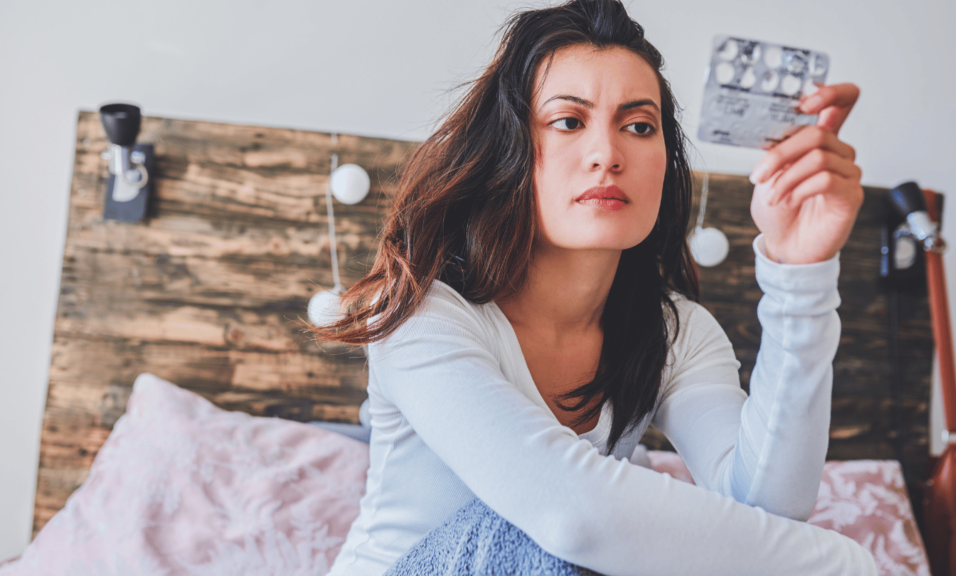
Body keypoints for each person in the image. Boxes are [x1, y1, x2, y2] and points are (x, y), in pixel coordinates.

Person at [312, 1, 873, 574]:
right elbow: (568, 512)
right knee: (554, 524)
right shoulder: (423, 311)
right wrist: (843, 563)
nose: (608, 155)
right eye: (569, 122)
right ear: (511, 149)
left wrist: (799, 271)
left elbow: (765, 510)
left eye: (638, 126)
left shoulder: (675, 333)